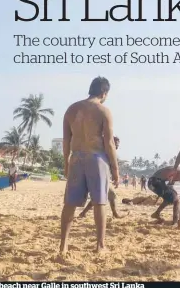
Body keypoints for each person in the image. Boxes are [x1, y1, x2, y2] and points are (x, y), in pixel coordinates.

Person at [59, 76, 119, 254]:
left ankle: (63, 246)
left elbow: (66, 140)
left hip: (76, 157)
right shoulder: (103, 111)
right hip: (96, 158)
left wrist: (66, 162)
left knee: (70, 203)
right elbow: (109, 143)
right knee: (100, 202)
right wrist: (115, 169)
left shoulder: (71, 109)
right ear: (104, 92)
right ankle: (100, 246)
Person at [78, 136, 123, 219]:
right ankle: (114, 213)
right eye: (116, 143)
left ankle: (83, 213)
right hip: (98, 177)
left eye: (118, 144)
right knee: (107, 195)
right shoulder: (105, 152)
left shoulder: (105, 152)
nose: (117, 146)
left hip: (100, 177)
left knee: (102, 196)